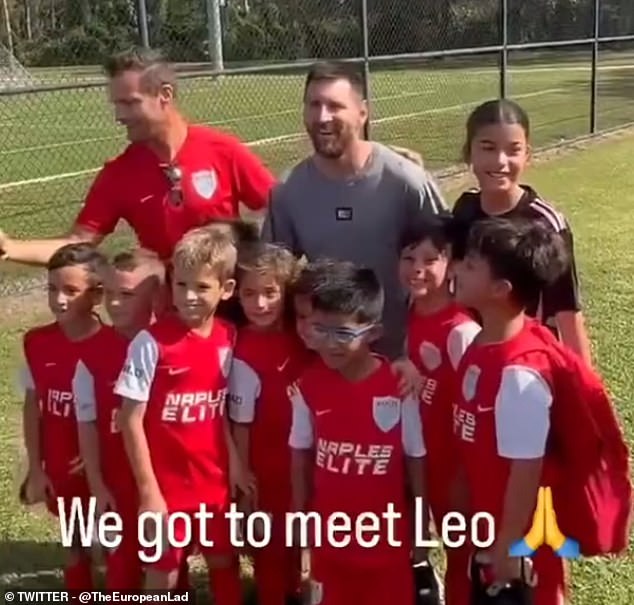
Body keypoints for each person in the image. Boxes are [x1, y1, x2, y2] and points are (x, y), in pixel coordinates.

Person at [0, 47, 275, 267]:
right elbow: (79, 242)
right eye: (116, 104)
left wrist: (253, 265)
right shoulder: (118, 174)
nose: (119, 116)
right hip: (168, 313)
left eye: (130, 103)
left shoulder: (223, 150)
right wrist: (11, 248)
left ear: (164, 95)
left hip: (231, 305)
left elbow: (279, 210)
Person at [262, 60, 447, 361]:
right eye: (314, 105)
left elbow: (447, 263)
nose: (322, 117)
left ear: (362, 113)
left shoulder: (406, 181)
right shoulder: (288, 190)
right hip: (330, 363)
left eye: (335, 106)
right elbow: (272, 278)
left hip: (402, 362)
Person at [114, 227, 250, 596]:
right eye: (181, 285)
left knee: (224, 560)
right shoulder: (150, 343)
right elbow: (129, 419)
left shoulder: (228, 336)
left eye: (202, 287)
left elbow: (218, 408)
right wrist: (148, 493)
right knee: (165, 573)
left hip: (214, 480)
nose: (189, 296)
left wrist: (235, 462)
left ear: (227, 289)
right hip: (166, 487)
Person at [288, 261, 426, 605]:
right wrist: (301, 529)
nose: (331, 344)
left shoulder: (398, 387)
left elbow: (416, 461)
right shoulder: (307, 387)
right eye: (320, 330)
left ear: (373, 332)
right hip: (328, 547)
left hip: (387, 549)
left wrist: (422, 528)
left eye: (344, 333)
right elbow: (300, 459)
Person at [451, 218, 571, 605]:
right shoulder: (482, 342)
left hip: (516, 551)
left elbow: (525, 474)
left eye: (469, 265)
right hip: (489, 536)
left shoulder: (519, 377)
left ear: (500, 290)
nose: (455, 269)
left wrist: (507, 549)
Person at [451, 99, 592, 366]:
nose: (501, 161)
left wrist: (587, 391)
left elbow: (567, 312)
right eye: (488, 148)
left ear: (527, 154)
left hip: (526, 361)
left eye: (513, 150)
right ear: (469, 152)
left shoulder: (546, 223)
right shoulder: (465, 209)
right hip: (472, 357)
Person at [71, 250, 170, 589]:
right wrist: (97, 484)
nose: (113, 304)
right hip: (119, 483)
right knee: (122, 564)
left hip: (171, 478)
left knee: (168, 563)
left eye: (126, 294)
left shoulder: (172, 346)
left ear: (156, 296)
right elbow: (86, 424)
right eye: (109, 293)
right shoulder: (91, 356)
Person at [397, 214, 480, 605]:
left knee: (463, 555)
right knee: (417, 546)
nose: (417, 270)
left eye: (430, 260)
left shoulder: (461, 331)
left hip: (455, 471)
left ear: (452, 264)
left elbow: (478, 415)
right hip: (419, 464)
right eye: (409, 257)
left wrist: (466, 475)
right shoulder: (408, 314)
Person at [19, 243, 111, 589]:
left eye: (71, 291)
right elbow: (34, 406)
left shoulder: (117, 346)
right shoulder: (37, 342)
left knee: (113, 549)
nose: (59, 300)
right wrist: (36, 468)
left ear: (97, 295)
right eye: (52, 289)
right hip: (60, 467)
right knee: (75, 545)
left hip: (106, 470)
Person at [228, 242, 312, 605]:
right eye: (249, 294)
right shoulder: (243, 347)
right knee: (270, 548)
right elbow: (240, 423)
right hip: (267, 471)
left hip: (307, 464)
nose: (259, 304)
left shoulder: (304, 335)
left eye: (269, 293)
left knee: (301, 542)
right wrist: (244, 481)